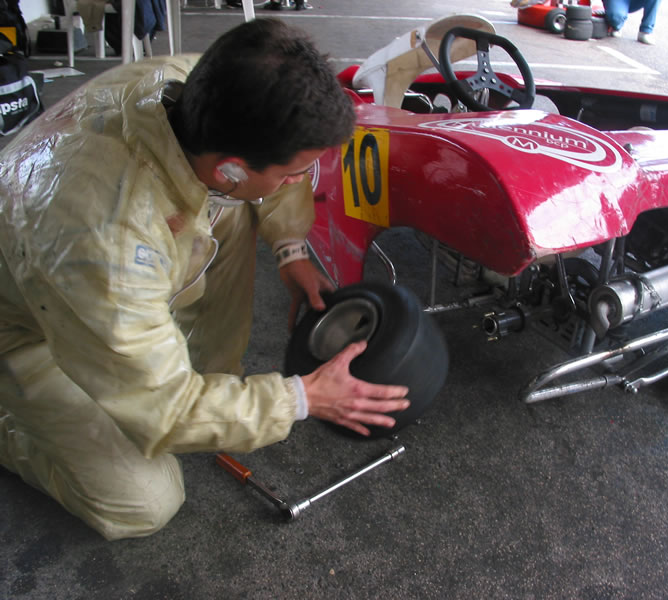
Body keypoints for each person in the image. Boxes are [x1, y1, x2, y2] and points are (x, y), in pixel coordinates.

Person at [0, 18, 409, 541]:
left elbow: (274, 169)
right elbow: (164, 411)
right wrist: (302, 398)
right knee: (145, 502)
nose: (294, 182)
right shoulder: (107, 245)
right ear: (230, 170)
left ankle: (211, 389)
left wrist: (290, 250)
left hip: (67, 256)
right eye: (289, 174)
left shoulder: (200, 84)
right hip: (24, 326)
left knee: (227, 212)